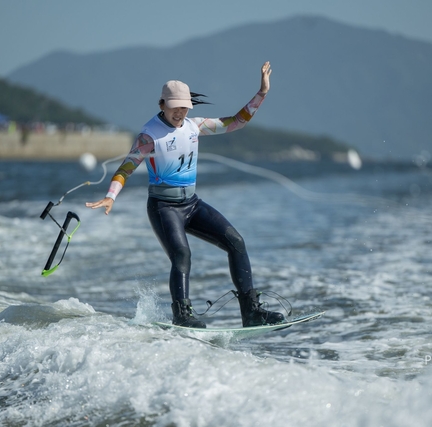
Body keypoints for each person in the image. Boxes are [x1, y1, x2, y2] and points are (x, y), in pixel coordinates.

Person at [86, 62, 285, 328]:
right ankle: (182, 314)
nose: (180, 113)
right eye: (174, 107)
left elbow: (237, 122)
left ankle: (251, 313)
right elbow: (126, 167)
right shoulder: (149, 136)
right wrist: (111, 195)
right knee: (181, 254)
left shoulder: (195, 126)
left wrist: (262, 93)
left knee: (236, 242)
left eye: (184, 107)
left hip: (191, 204)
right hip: (163, 207)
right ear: (162, 105)